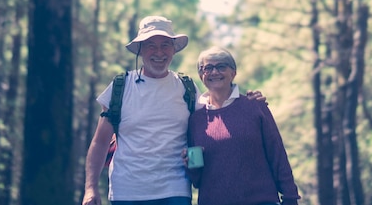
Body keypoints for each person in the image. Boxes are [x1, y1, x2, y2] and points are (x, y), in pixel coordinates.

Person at [82, 16, 264, 205]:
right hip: (127, 192)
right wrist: (90, 188)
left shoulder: (186, 87)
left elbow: (218, 112)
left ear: (174, 50)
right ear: (140, 50)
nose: (159, 52)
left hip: (175, 191)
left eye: (166, 45)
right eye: (151, 45)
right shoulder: (121, 87)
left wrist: (248, 102)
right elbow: (100, 142)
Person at [185, 46, 300, 205]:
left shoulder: (255, 107)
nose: (214, 72)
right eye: (208, 68)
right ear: (200, 75)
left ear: (233, 73)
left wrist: (290, 198)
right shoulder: (195, 120)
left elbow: (277, 154)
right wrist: (191, 166)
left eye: (221, 66)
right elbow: (197, 181)